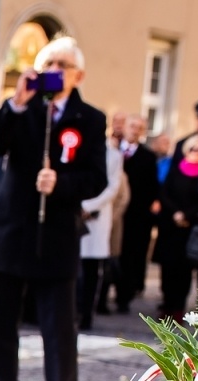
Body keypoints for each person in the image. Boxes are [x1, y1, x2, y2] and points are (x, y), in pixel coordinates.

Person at [0, 36, 106, 381]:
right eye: (48, 64)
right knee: (2, 319)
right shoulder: (21, 109)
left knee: (57, 325)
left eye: (62, 65)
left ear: (78, 74)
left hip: (56, 235)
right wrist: (17, 103)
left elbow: (96, 178)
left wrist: (62, 184)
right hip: (13, 230)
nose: (54, 71)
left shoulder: (90, 118)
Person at [155, 132, 198, 318]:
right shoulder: (176, 168)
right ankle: (167, 305)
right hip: (171, 228)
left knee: (184, 274)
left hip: (192, 230)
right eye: (193, 149)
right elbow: (164, 193)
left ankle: (179, 309)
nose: (196, 153)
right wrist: (175, 213)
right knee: (168, 270)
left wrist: (187, 215)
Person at [77, 125, 124, 331]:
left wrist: (88, 206)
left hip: (96, 217)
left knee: (91, 271)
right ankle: (72, 311)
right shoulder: (78, 148)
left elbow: (112, 187)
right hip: (74, 213)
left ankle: (86, 314)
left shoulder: (113, 155)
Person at [115, 114, 158, 315]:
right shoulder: (112, 151)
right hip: (113, 214)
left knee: (130, 258)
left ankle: (124, 298)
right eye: (132, 125)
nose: (135, 130)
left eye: (139, 127)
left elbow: (151, 188)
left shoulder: (148, 157)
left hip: (135, 217)